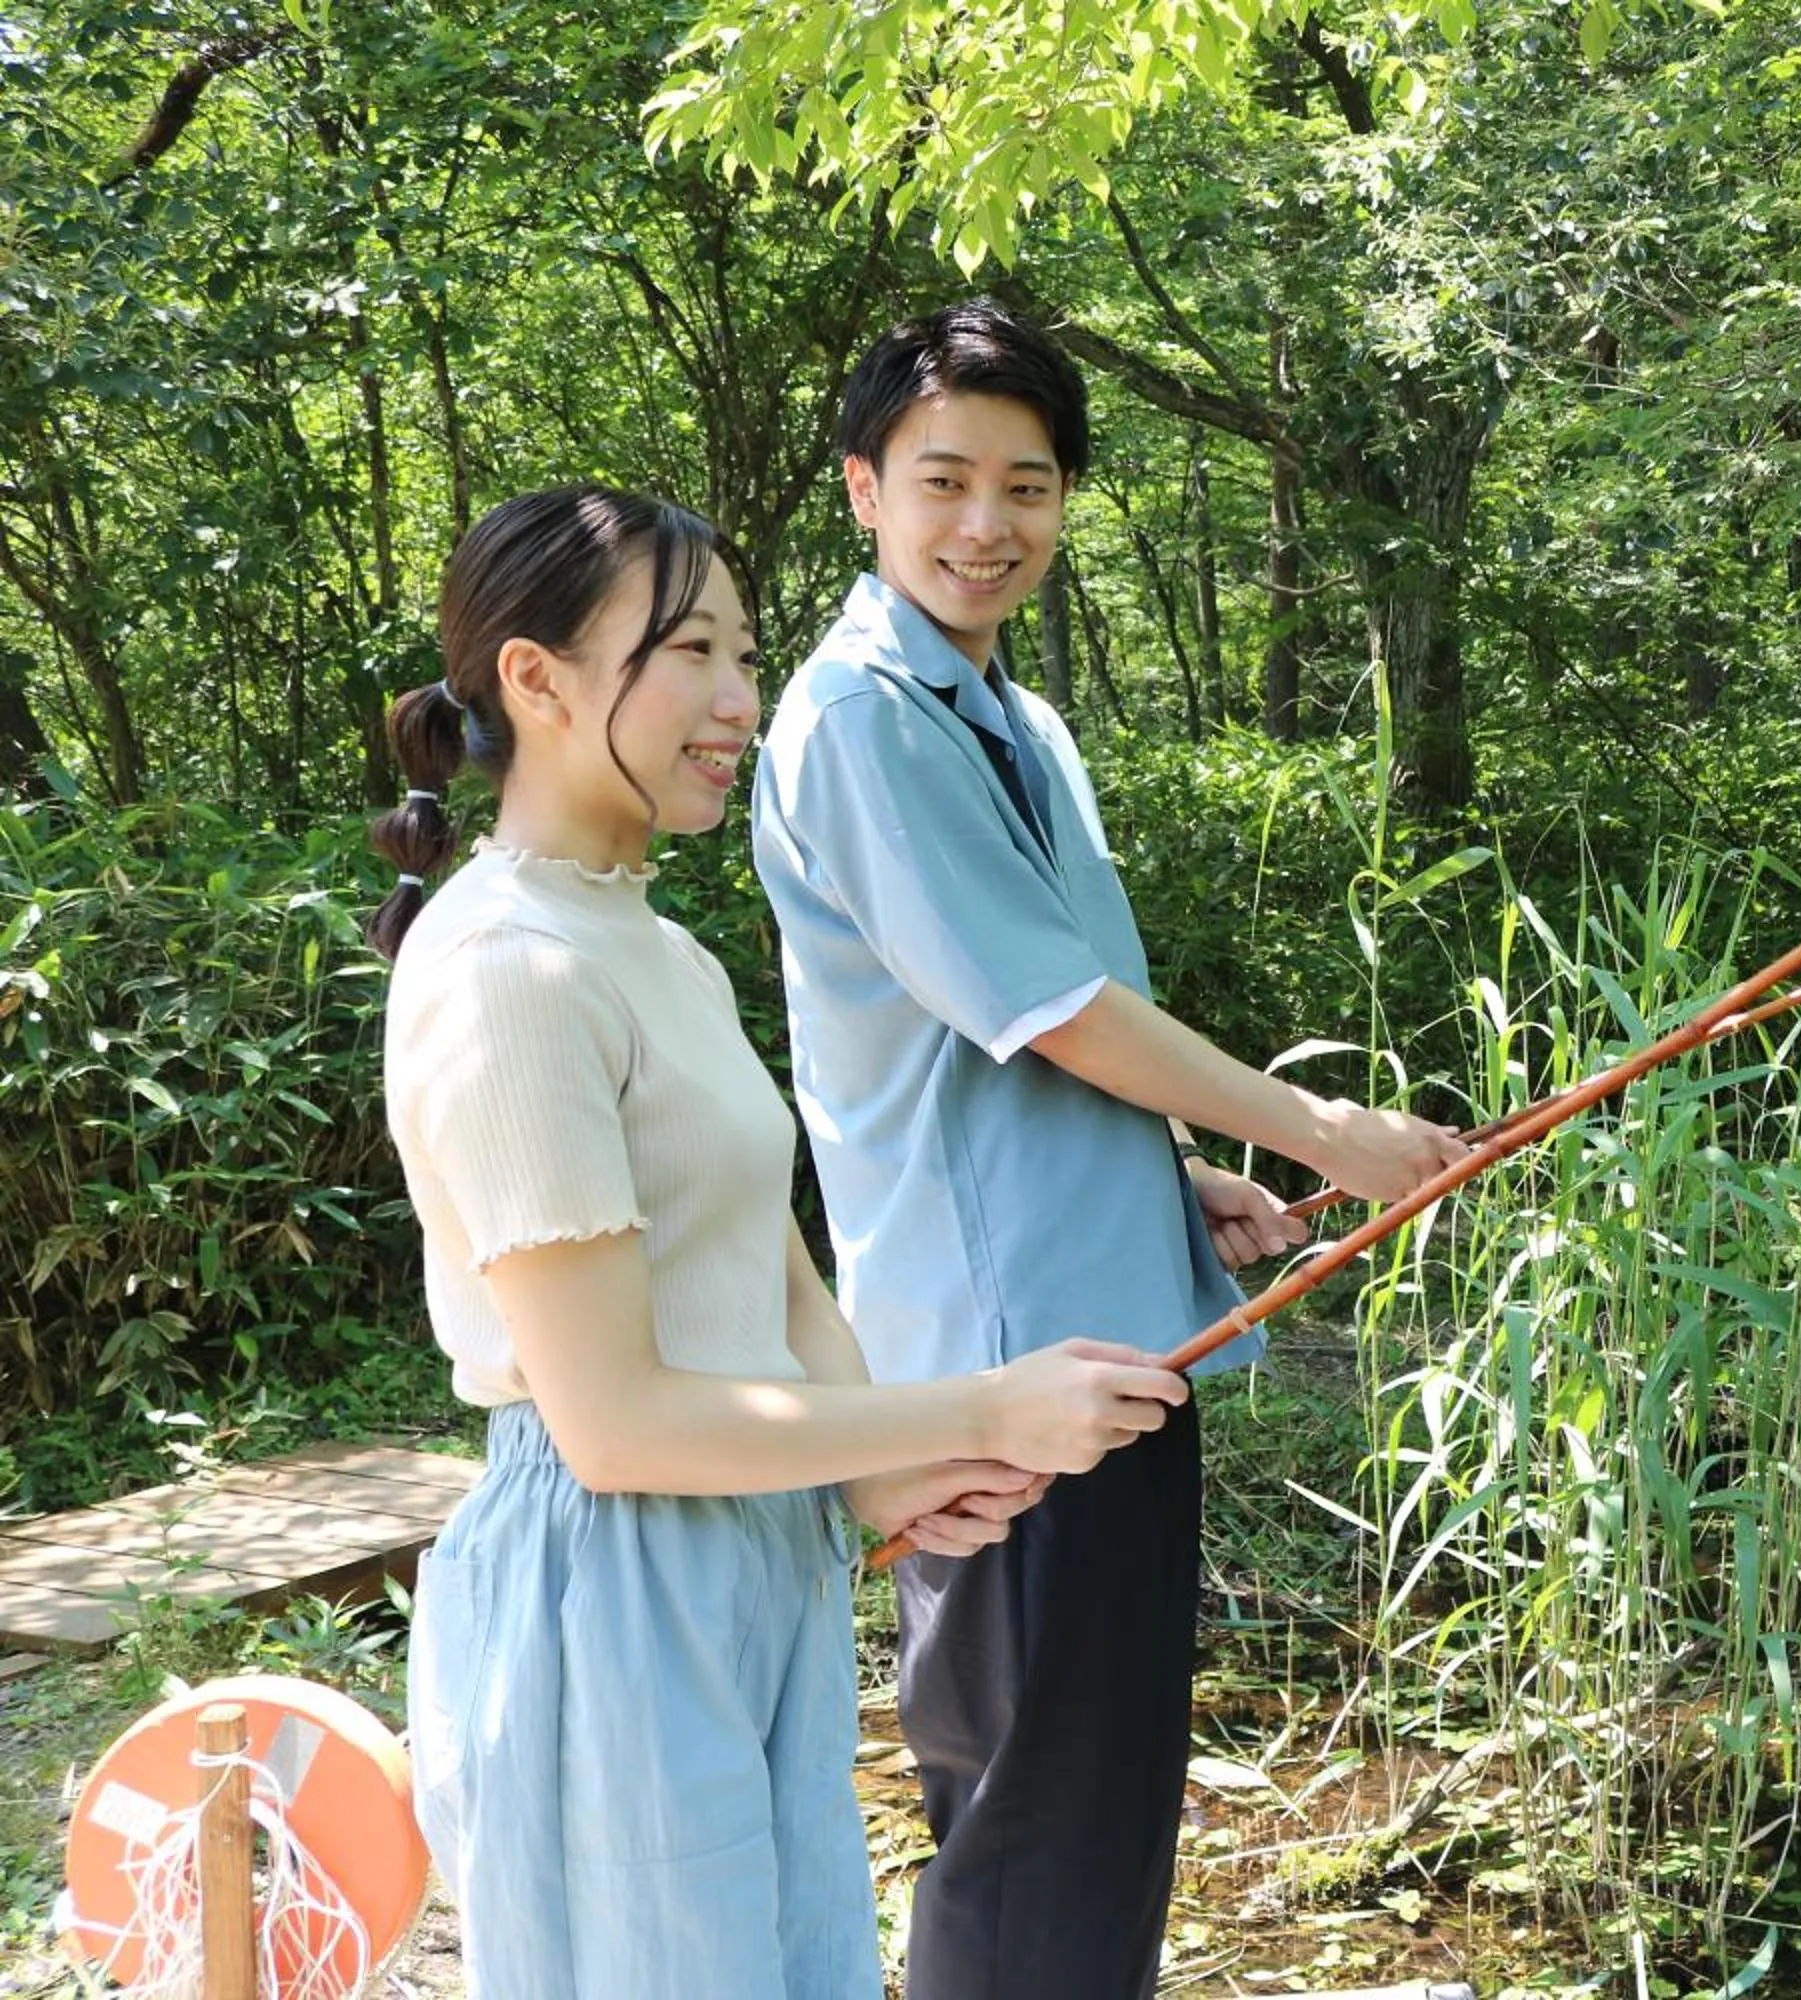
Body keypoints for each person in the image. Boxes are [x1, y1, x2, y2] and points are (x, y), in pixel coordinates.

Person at [370, 483, 1191, 1999]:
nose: (739, 699)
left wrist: (887, 1463)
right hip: (612, 1580)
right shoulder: (505, 968)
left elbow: (770, 1255)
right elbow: (610, 1422)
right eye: (686, 652)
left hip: (759, 1542)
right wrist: (981, 1409)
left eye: (746, 654)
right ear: (535, 682)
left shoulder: (656, 944)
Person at [752, 301, 1472, 1998]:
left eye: (1029, 485)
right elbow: (1058, 1008)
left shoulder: (1015, 720)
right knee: (1034, 1826)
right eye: (944, 481)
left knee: (1089, 1808)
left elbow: (1019, 1023)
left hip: (1112, 1336)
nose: (987, 525)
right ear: (865, 490)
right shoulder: (862, 718)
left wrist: (1176, 1174)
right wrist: (1316, 1129)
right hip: (1007, 1374)